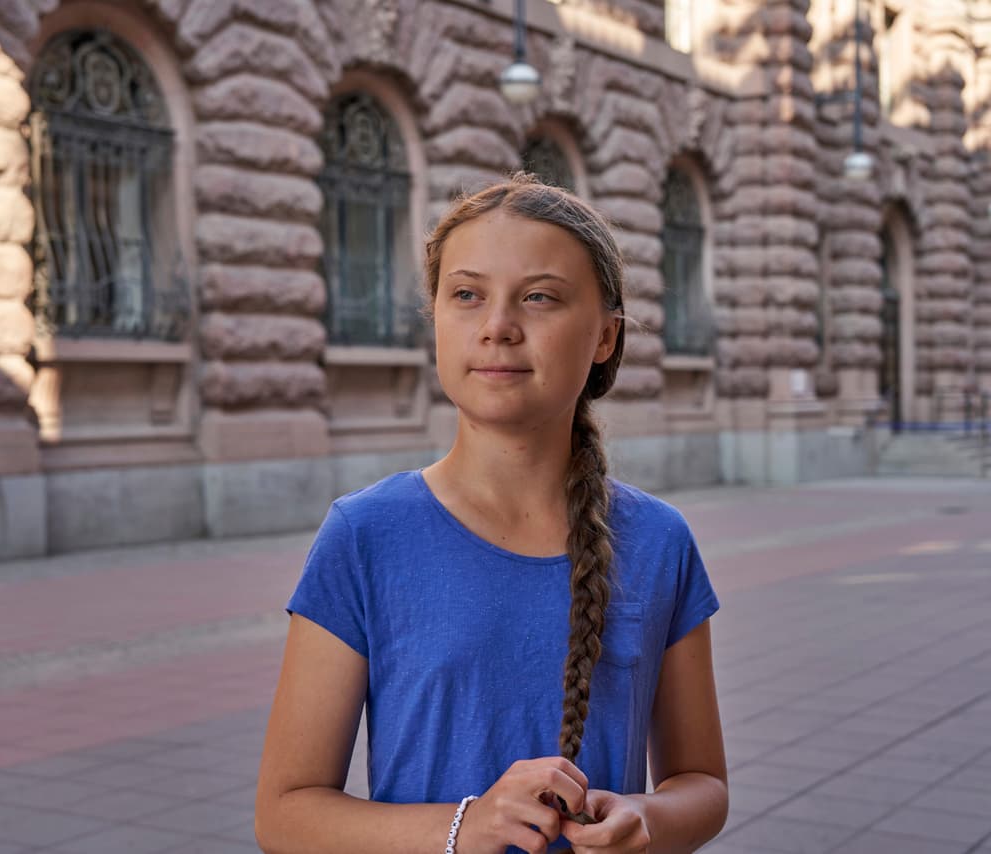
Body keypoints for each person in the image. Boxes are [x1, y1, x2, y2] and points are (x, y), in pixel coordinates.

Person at [254, 174, 727, 854]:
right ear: (438, 319)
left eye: (540, 298)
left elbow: (702, 781)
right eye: (467, 295)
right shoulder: (365, 536)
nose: (498, 328)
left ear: (604, 335)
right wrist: (463, 826)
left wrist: (649, 819)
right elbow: (284, 813)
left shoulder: (659, 542)